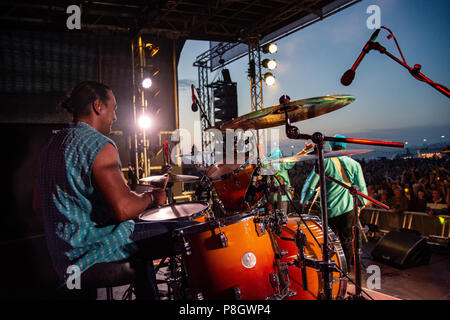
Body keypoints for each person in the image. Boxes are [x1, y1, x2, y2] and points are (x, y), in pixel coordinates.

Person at [35, 81, 189, 299]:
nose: (115, 116)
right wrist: (152, 197)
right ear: (98, 106)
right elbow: (123, 210)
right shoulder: (98, 144)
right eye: (113, 108)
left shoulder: (50, 146)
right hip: (93, 253)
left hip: (63, 259)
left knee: (142, 247)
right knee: (190, 230)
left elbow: (38, 206)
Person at [300, 134, 368, 269]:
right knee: (347, 241)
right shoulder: (355, 164)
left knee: (329, 242)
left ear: (331, 146)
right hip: (348, 210)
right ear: (345, 147)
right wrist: (363, 202)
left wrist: (304, 199)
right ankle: (346, 271)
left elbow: (310, 183)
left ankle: (331, 271)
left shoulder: (324, 161)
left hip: (329, 209)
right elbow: (361, 188)